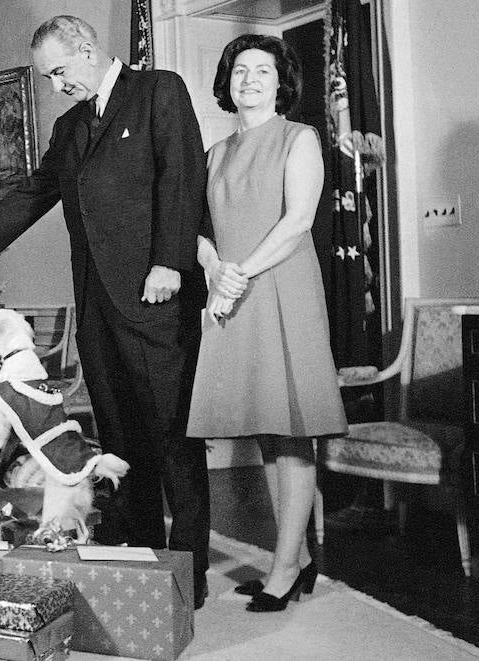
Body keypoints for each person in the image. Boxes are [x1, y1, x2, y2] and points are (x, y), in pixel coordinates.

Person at [0, 14, 211, 606]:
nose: (58, 85)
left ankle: (190, 575)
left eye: (60, 71)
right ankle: (143, 561)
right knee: (119, 439)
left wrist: (170, 262)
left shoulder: (157, 91)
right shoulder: (69, 127)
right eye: (49, 77)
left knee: (170, 435)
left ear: (86, 50)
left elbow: (182, 177)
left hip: (155, 294)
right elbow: (38, 192)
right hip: (96, 304)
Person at [186, 33, 348, 613]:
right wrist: (214, 269)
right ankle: (295, 557)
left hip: (281, 286)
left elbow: (299, 219)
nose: (250, 80)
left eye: (262, 71)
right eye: (239, 71)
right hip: (232, 290)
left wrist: (240, 273)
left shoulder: (299, 138)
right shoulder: (213, 154)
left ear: (282, 82)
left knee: (291, 426)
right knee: (263, 423)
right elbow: (198, 229)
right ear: (227, 83)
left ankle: (285, 565)